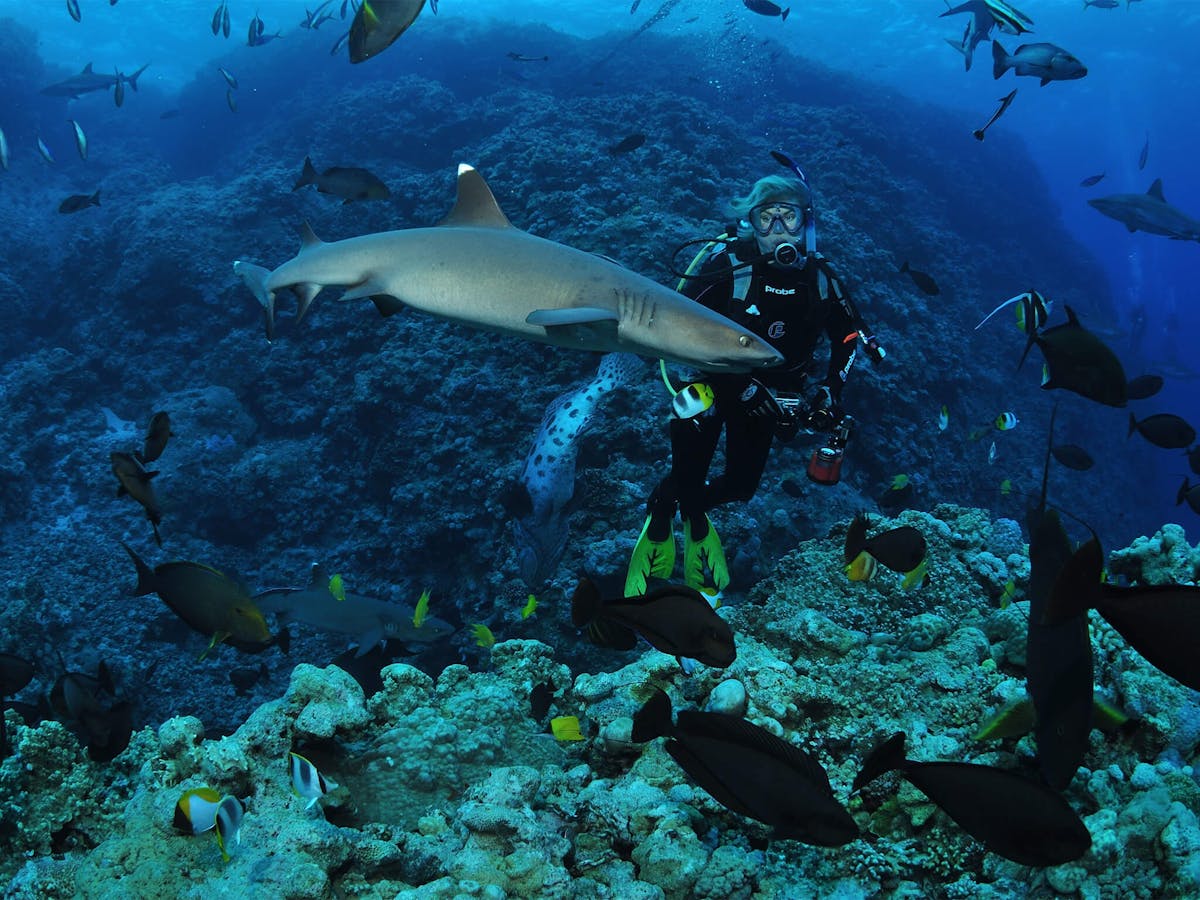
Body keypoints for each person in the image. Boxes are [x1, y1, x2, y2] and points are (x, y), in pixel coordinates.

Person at [625, 163, 877, 597]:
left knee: (741, 487)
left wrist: (830, 391)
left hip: (772, 399)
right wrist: (736, 383)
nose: (777, 229)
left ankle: (687, 509)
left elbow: (849, 338)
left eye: (788, 217)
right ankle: (667, 511)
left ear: (806, 225)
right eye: (766, 218)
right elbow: (676, 329)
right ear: (751, 223)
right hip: (715, 386)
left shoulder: (821, 279)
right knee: (691, 463)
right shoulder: (728, 267)